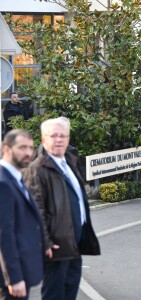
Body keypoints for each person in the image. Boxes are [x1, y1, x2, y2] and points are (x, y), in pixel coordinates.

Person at [24, 117, 100, 300]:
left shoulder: (68, 162)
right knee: (54, 294)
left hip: (73, 242)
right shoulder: (38, 170)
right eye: (54, 136)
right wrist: (45, 242)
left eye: (63, 136)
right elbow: (34, 211)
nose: (59, 140)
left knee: (69, 291)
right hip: (55, 247)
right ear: (44, 139)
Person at [0, 129, 44, 300]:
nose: (28, 153)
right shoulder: (3, 183)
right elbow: (4, 235)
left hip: (22, 269)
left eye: (31, 148)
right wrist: (14, 278)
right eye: (22, 147)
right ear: (6, 149)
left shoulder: (15, 177)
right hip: (10, 279)